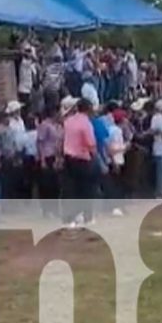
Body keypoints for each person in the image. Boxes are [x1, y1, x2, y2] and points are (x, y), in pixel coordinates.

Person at [62, 98, 99, 228]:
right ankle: (87, 216)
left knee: (71, 189)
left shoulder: (68, 121)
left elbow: (62, 139)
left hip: (68, 157)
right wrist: (95, 157)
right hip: (82, 158)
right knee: (87, 189)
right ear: (88, 109)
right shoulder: (86, 123)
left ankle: (71, 217)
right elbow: (91, 144)